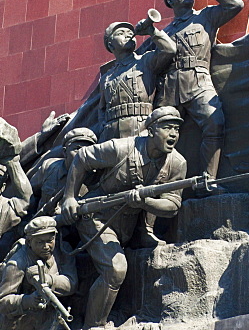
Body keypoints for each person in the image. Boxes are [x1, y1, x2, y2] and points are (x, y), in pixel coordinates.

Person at [61, 106, 186, 330]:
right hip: (96, 216)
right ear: (151, 130)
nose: (174, 134)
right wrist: (69, 197)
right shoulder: (122, 148)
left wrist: (144, 202)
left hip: (127, 225)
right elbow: (82, 158)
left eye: (177, 129)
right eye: (167, 128)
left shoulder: (177, 163)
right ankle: (95, 326)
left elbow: (172, 205)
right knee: (116, 268)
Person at [156, 0, 244, 180]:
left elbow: (236, 5)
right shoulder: (165, 32)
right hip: (170, 86)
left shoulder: (205, 16)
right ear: (169, 0)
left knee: (215, 123)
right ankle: (156, 179)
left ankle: (208, 177)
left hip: (199, 80)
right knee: (159, 134)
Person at [98, 17, 176, 140]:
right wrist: (104, 127)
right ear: (110, 44)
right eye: (120, 33)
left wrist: (152, 31)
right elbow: (102, 108)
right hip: (111, 132)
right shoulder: (107, 77)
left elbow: (169, 50)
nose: (127, 36)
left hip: (140, 126)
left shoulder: (145, 61)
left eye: (130, 33)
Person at [0, 215, 77, 330]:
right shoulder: (17, 263)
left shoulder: (62, 251)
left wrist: (49, 280)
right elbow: (3, 303)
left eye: (50, 241)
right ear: (29, 242)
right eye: (40, 242)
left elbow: (72, 284)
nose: (46, 247)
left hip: (50, 318)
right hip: (22, 322)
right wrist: (28, 301)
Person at [30, 128, 97, 213]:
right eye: (77, 149)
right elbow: (31, 195)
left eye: (87, 150)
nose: (82, 155)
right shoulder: (49, 167)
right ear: (65, 152)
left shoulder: (95, 179)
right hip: (40, 223)